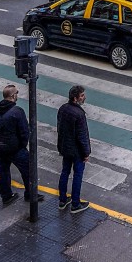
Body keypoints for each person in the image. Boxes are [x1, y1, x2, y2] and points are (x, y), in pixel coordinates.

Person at [0, 83, 43, 206]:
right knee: (28, 169)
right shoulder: (17, 112)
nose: (18, 95)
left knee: (3, 171)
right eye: (17, 93)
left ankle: (6, 196)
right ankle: (30, 194)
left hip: (0, 146)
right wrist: (22, 145)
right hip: (15, 148)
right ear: (13, 96)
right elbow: (24, 132)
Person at [57, 85, 91, 213]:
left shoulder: (63, 109)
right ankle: (75, 204)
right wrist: (86, 153)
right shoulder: (79, 114)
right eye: (82, 95)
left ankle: (62, 200)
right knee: (78, 175)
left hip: (65, 148)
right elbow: (82, 135)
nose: (84, 97)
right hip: (77, 151)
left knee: (65, 172)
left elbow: (60, 128)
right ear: (75, 98)